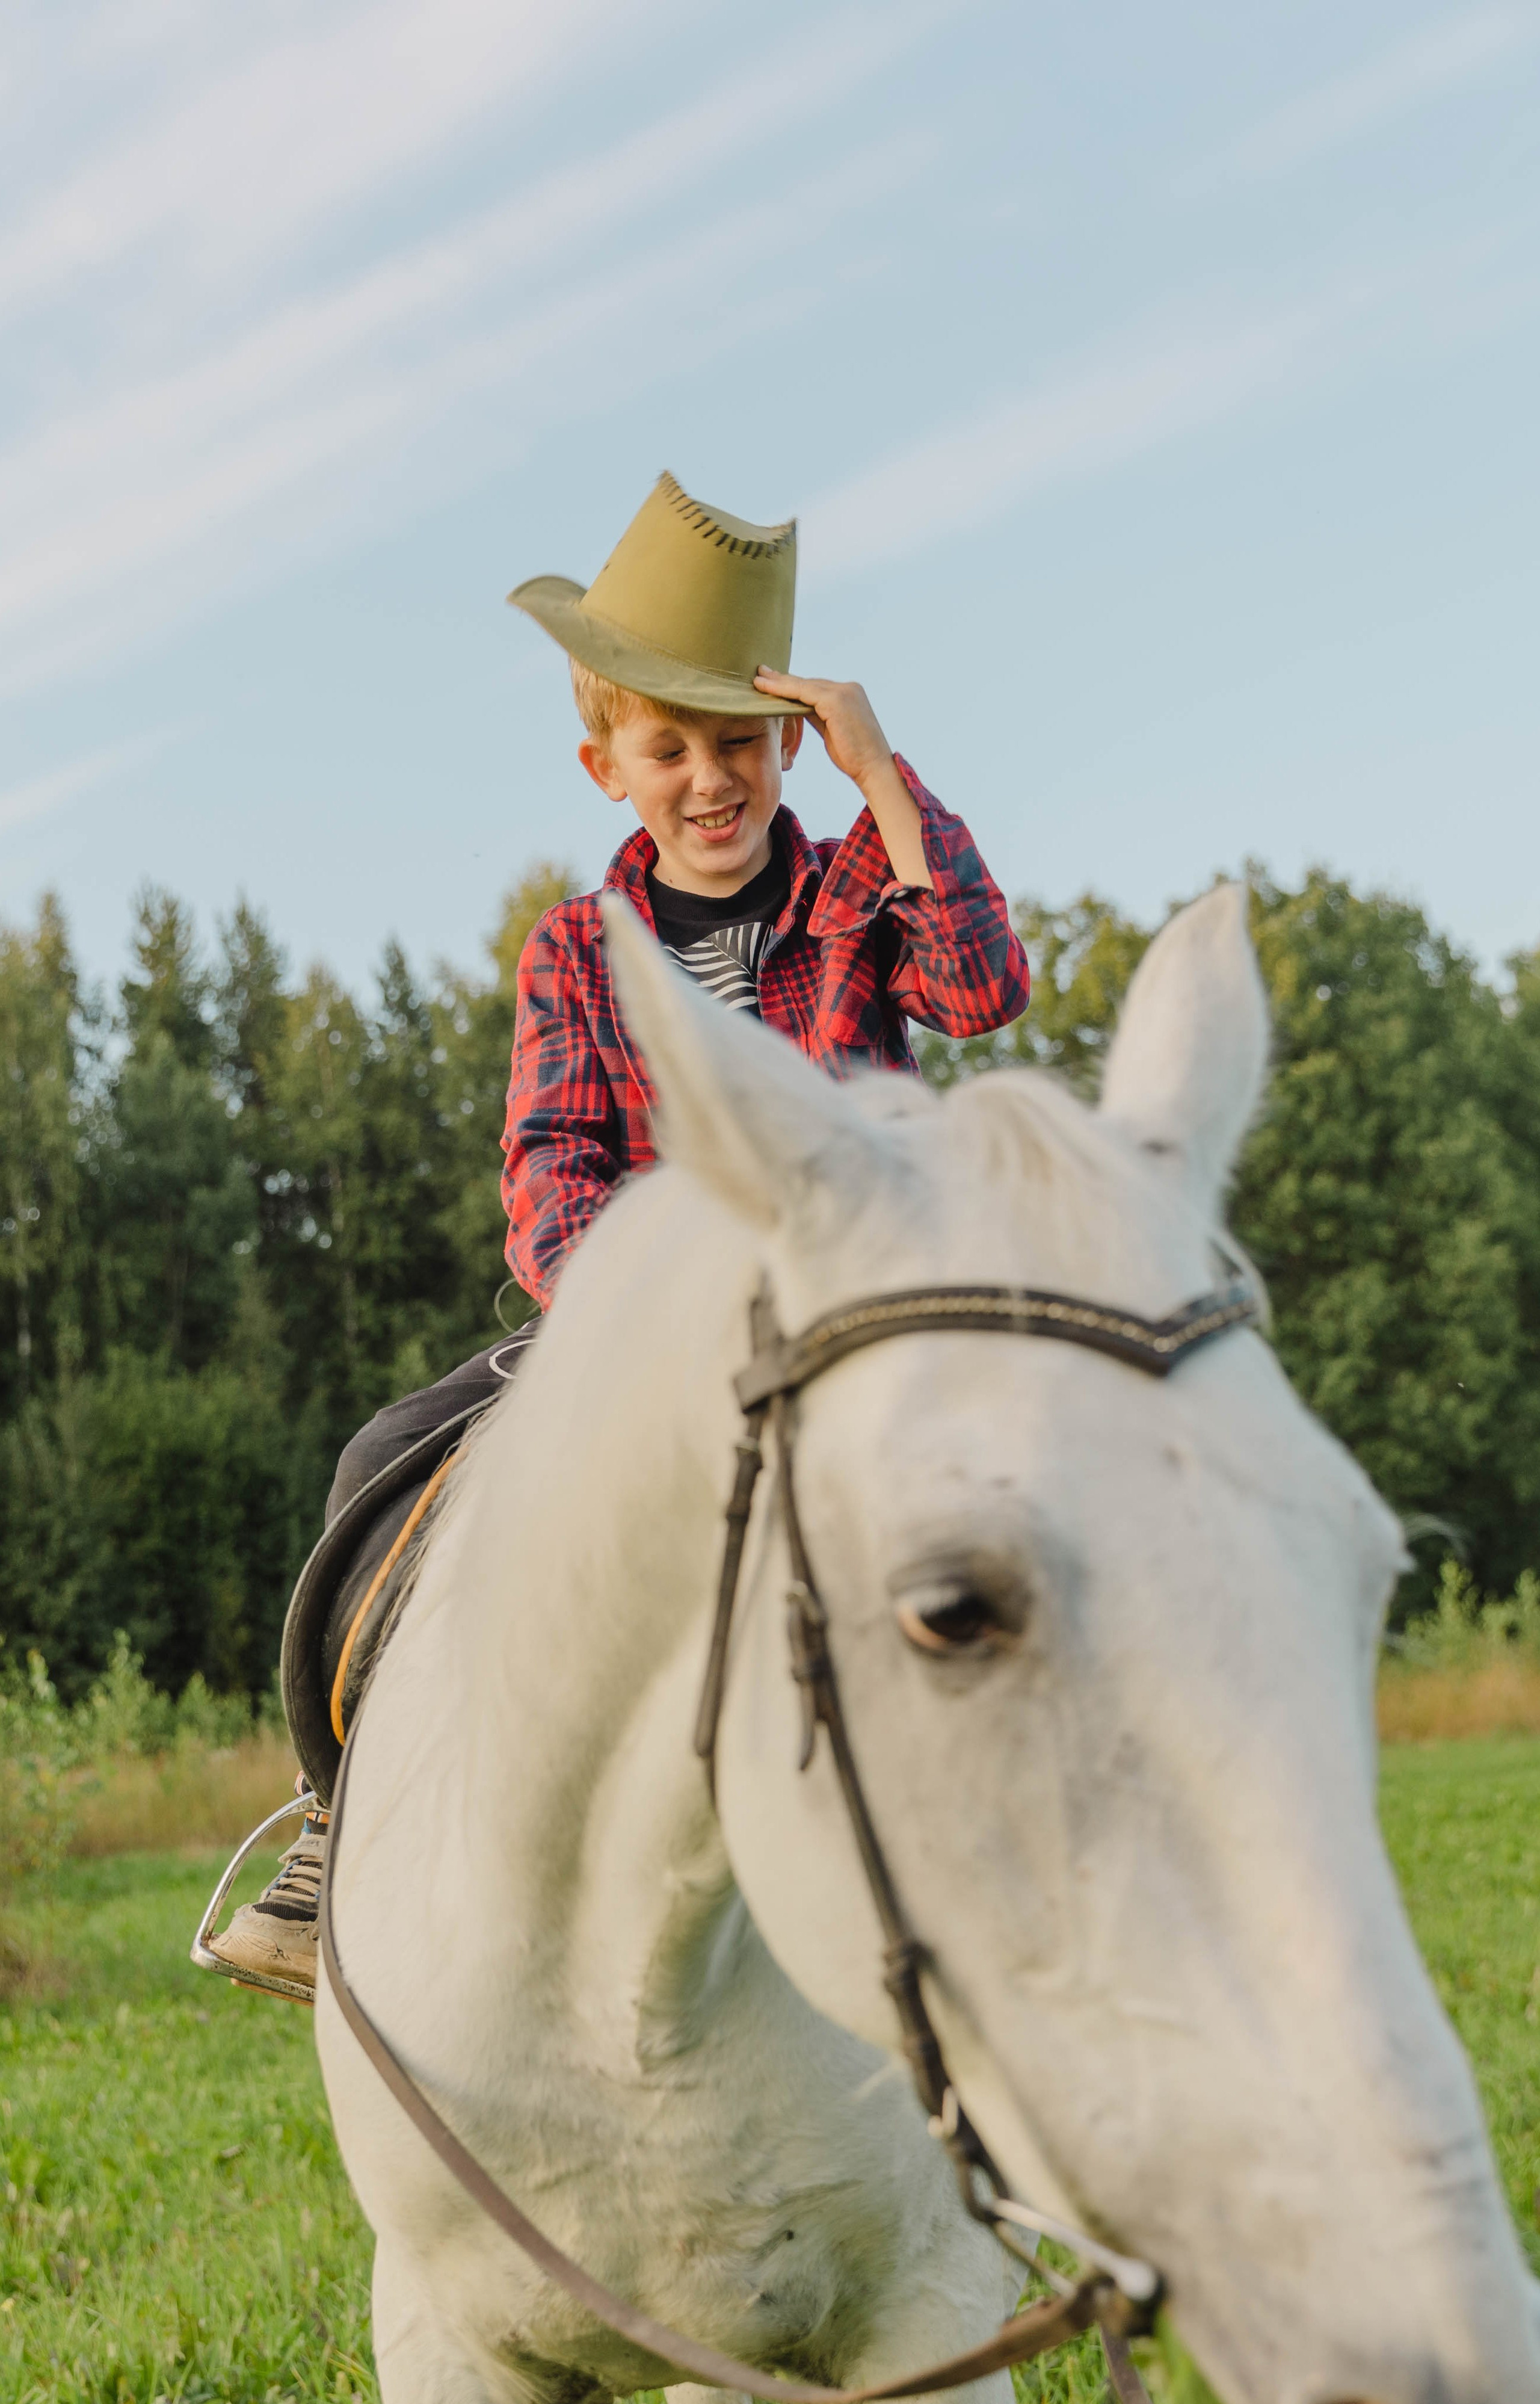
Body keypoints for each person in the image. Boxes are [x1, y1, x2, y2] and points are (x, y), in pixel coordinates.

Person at [208, 471, 1030, 1994]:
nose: (709, 778)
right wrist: (653, 1308)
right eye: (670, 748)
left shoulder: (857, 892)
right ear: (606, 767)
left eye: (741, 741)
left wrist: (886, 778)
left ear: (792, 742)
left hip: (853, 1306)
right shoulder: (579, 950)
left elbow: (980, 989)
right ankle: (339, 1827)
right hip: (639, 1320)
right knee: (380, 1460)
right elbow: (552, 1172)